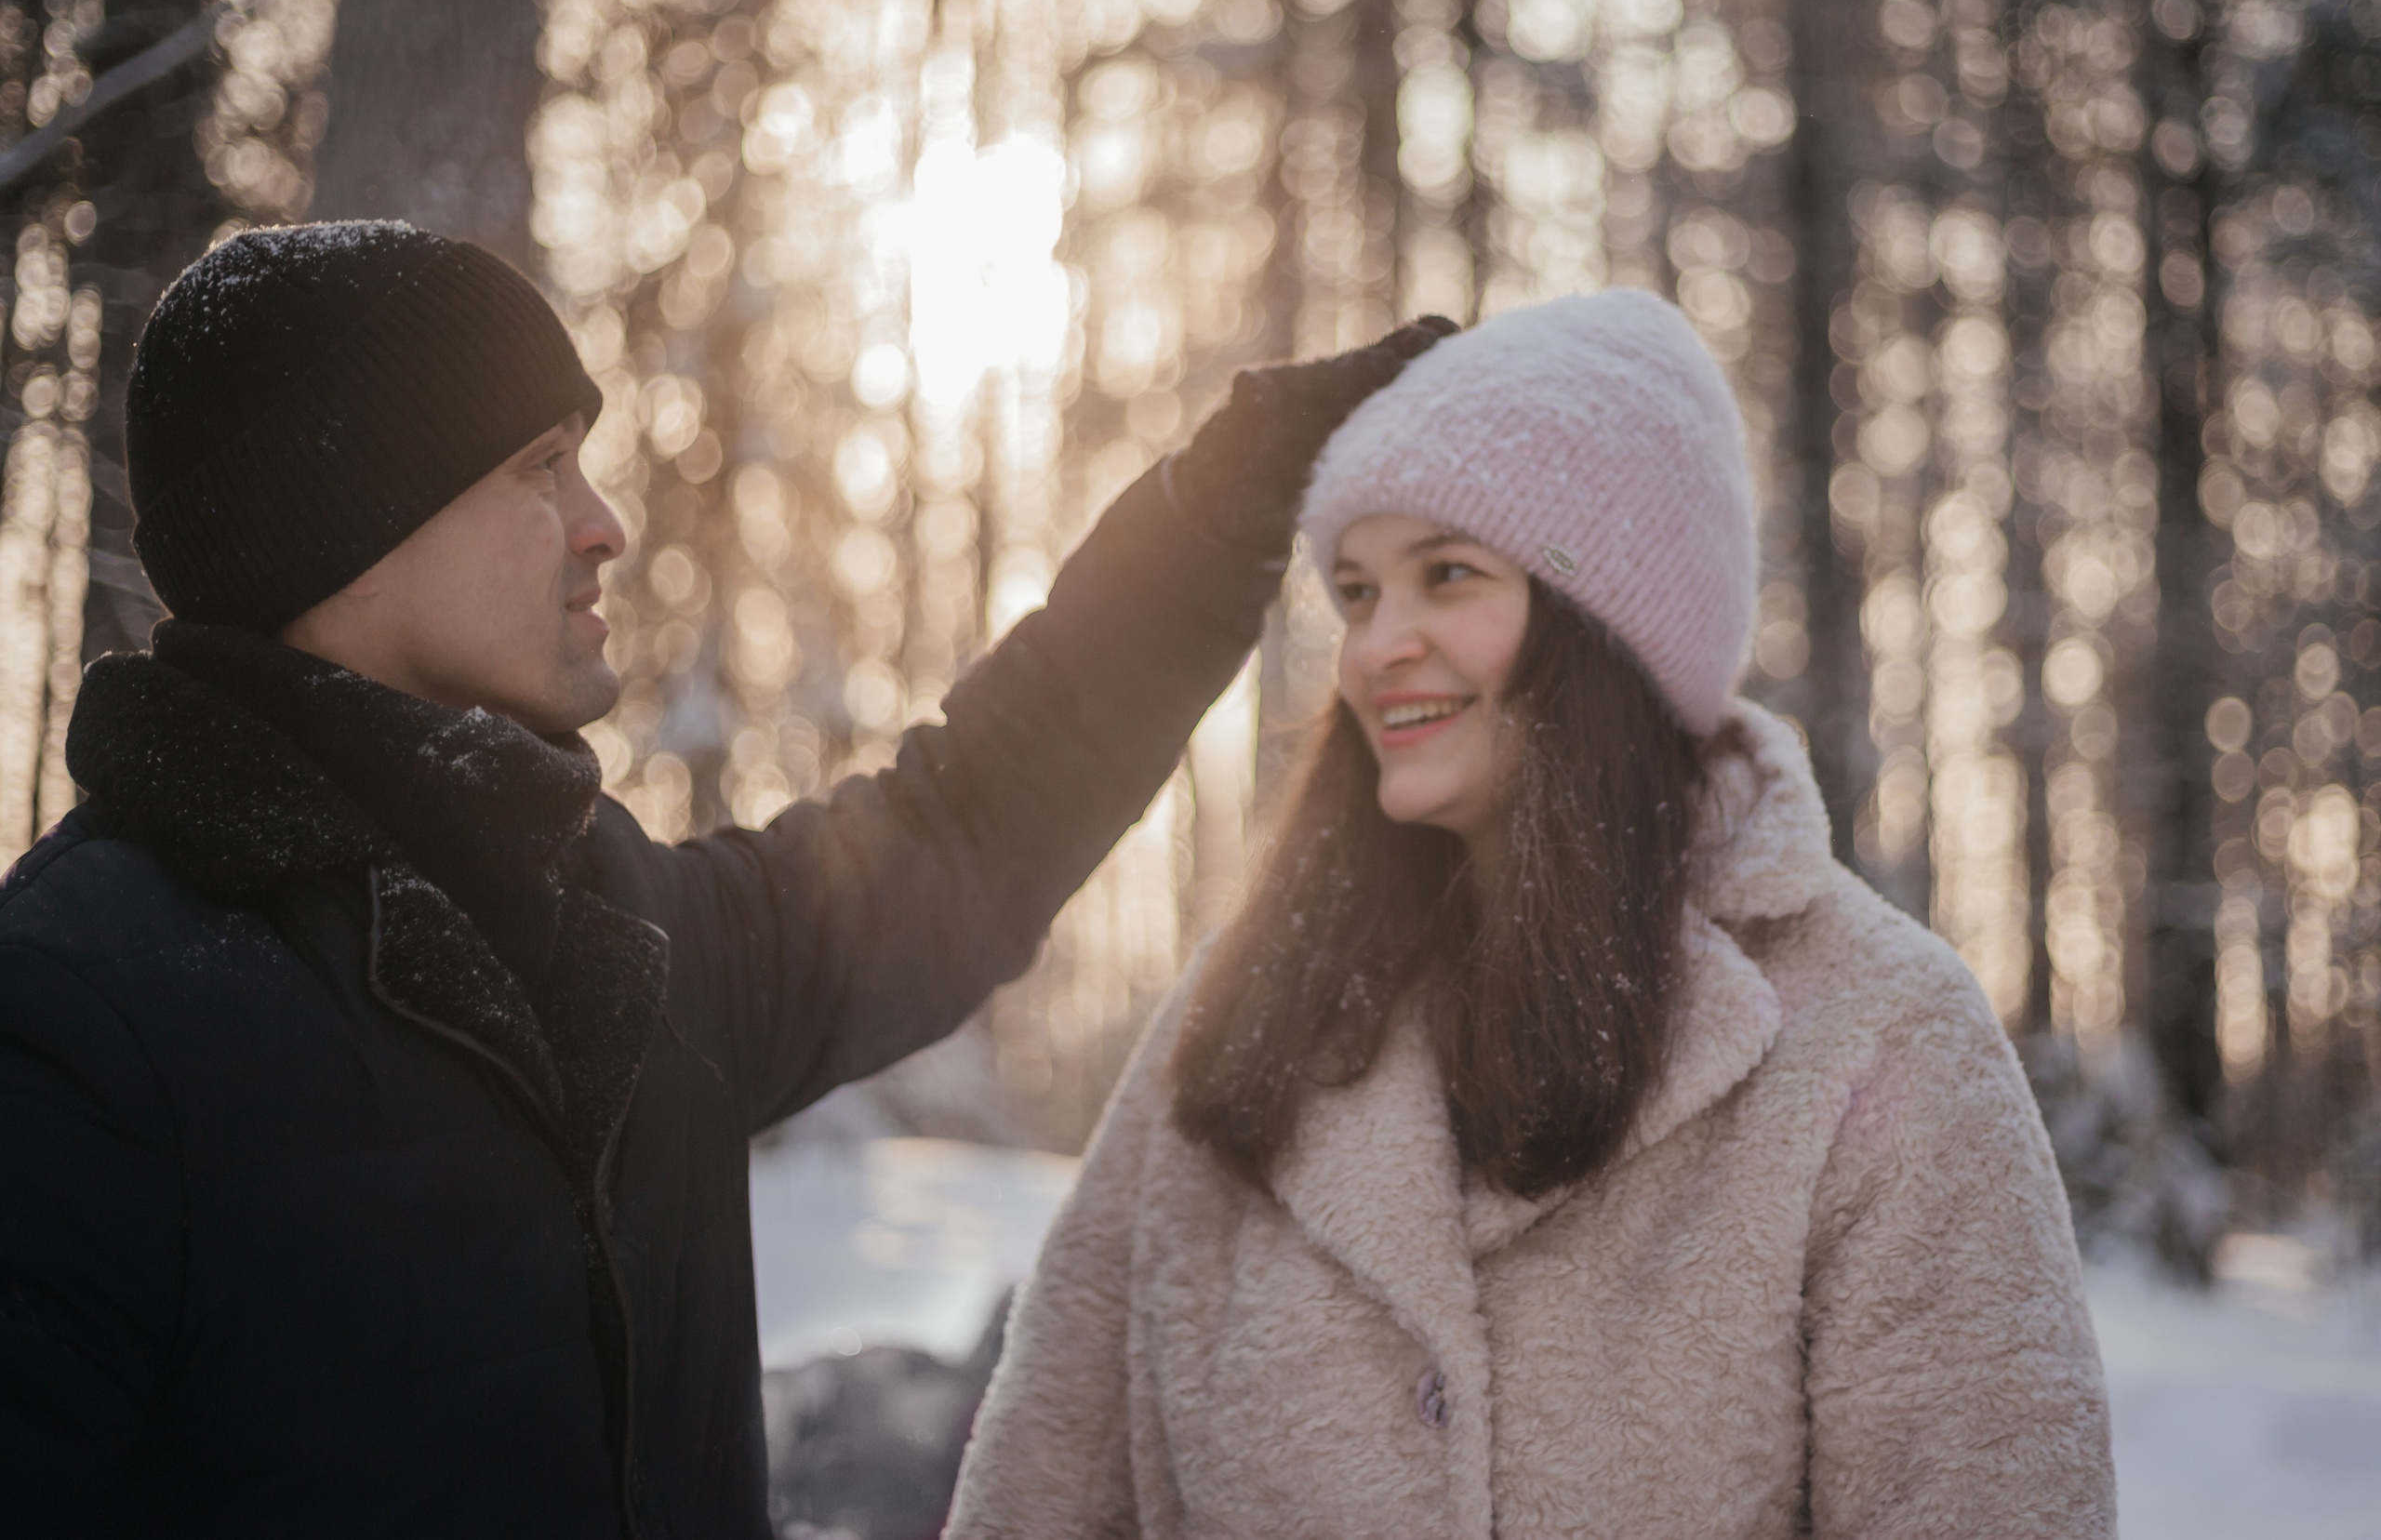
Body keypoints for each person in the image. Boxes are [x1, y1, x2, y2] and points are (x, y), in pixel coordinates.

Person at [0, 219, 1454, 1538]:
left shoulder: (616, 935)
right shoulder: (80, 1019)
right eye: (536, 465)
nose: (602, 523)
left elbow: (967, 827)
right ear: (350, 532)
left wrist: (1222, 507)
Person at [947, 289, 2116, 1539]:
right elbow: (1043, 1489)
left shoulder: (1882, 1038)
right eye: (1355, 591)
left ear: (1610, 627)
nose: (1378, 645)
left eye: (1447, 576)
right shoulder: (1239, 1023)